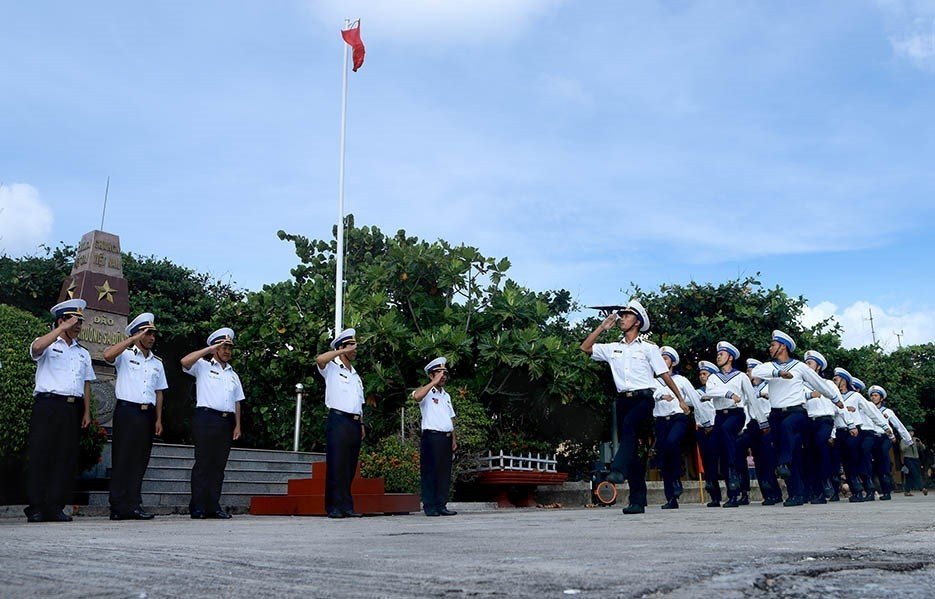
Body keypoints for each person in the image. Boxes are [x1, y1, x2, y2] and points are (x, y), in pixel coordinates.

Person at [580, 299, 686, 515]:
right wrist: (602, 327)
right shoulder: (613, 349)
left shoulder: (649, 348)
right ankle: (638, 501)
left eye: (627, 316)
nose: (621, 318)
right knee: (635, 454)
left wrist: (680, 399)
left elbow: (664, 374)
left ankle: (617, 469)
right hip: (623, 401)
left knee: (629, 427)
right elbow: (585, 347)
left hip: (644, 400)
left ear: (637, 322)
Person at [24, 299, 95, 523]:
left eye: (80, 322)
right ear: (60, 321)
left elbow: (86, 383)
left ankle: (55, 506)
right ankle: (36, 507)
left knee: (64, 458)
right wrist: (60, 330)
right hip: (48, 405)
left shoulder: (82, 352)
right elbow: (35, 349)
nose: (78, 326)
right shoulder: (47, 344)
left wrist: (86, 412)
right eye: (73, 321)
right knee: (41, 455)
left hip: (72, 408)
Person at [751, 331, 838, 506]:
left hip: (796, 413)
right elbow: (756, 371)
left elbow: (818, 383)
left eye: (773, 345)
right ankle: (795, 494)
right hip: (775, 414)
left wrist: (834, 398)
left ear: (782, 346)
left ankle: (786, 463)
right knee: (792, 455)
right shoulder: (769, 367)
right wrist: (778, 373)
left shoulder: (799, 367)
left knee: (788, 430)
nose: (770, 348)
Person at [103, 312, 168, 520]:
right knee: (122, 459)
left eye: (153, 334)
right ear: (137, 334)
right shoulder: (126, 355)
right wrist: (131, 339)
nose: (151, 338)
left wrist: (158, 419)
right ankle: (118, 506)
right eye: (147, 334)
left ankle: (133, 505)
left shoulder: (157, 363)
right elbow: (107, 356)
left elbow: (159, 392)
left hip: (147, 414)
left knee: (140, 461)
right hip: (127, 411)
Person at [180, 327, 244, 519]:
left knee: (218, 466)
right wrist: (208, 350)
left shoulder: (233, 374)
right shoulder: (203, 366)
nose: (226, 351)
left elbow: (237, 401)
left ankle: (213, 506)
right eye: (223, 347)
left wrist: (237, 425)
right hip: (206, 419)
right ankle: (198, 507)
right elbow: (184, 362)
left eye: (229, 348)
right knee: (203, 464)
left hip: (226, 421)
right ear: (215, 348)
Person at [700, 341, 768, 508]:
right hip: (720, 416)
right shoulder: (714, 377)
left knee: (725, 436)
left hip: (736, 415)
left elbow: (752, 399)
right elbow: (711, 392)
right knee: (713, 449)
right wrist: (729, 393)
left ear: (730, 357)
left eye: (721, 354)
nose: (718, 357)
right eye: (718, 354)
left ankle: (733, 491)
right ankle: (716, 494)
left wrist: (762, 422)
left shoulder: (741, 376)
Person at [651, 347, 712, 510]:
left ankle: (677, 475)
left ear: (672, 362)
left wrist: (706, 422)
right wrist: (660, 396)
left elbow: (695, 400)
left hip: (678, 418)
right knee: (664, 457)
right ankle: (671, 498)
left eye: (665, 358)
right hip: (661, 420)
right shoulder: (654, 381)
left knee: (672, 442)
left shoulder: (681, 380)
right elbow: (650, 393)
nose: (662, 361)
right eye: (660, 358)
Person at [315, 328, 366, 519]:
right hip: (338, 421)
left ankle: (346, 506)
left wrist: (360, 425)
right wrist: (340, 352)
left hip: (353, 423)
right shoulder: (332, 369)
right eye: (350, 346)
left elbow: (358, 404)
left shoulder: (356, 376)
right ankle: (334, 507)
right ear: (341, 348)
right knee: (336, 465)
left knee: (349, 467)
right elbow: (319, 360)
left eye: (354, 346)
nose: (355, 349)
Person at [801, 349, 851, 505]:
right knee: (810, 456)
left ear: (818, 367)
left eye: (809, 363)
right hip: (809, 421)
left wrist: (850, 425)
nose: (806, 366)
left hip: (825, 421)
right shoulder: (801, 385)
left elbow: (839, 406)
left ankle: (828, 482)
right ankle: (817, 492)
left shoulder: (828, 384)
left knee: (821, 448)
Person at [833, 368, 891, 502]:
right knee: (846, 462)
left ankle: (867, 489)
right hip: (840, 432)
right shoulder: (834, 396)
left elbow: (871, 411)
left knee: (856, 459)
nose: (834, 381)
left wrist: (884, 426)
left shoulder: (856, 396)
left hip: (854, 431)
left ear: (844, 381)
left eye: (836, 379)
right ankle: (856, 491)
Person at [412, 357, 458, 517]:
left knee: (444, 472)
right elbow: (416, 396)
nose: (443, 376)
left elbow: (450, 418)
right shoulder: (426, 392)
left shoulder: (446, 396)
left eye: (445, 373)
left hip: (445, 438)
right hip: (432, 438)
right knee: (430, 472)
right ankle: (430, 506)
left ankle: (441, 505)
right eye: (439, 373)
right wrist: (432, 383)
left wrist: (453, 439)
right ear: (431, 375)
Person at [742, 358, 781, 505]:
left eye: (750, 370)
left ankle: (774, 493)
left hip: (767, 423)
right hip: (753, 424)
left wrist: (759, 395)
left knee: (768, 459)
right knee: (758, 460)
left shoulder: (768, 386)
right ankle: (766, 493)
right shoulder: (748, 390)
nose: (748, 372)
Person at [867, 385, 912, 501]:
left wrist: (908, 439)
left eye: (876, 395)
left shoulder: (887, 411)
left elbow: (898, 425)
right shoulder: (867, 409)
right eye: (872, 395)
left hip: (884, 437)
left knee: (883, 460)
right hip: (872, 437)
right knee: (870, 464)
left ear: (881, 398)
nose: (873, 397)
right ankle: (870, 492)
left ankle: (887, 492)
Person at [901, 427, 927, 496]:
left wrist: (920, 443)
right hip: (908, 458)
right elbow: (902, 449)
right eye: (909, 431)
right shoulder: (904, 440)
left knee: (910, 475)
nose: (911, 433)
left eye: (912, 431)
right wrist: (910, 444)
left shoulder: (915, 439)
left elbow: (923, 448)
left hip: (916, 459)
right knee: (915, 473)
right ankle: (922, 488)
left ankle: (907, 491)